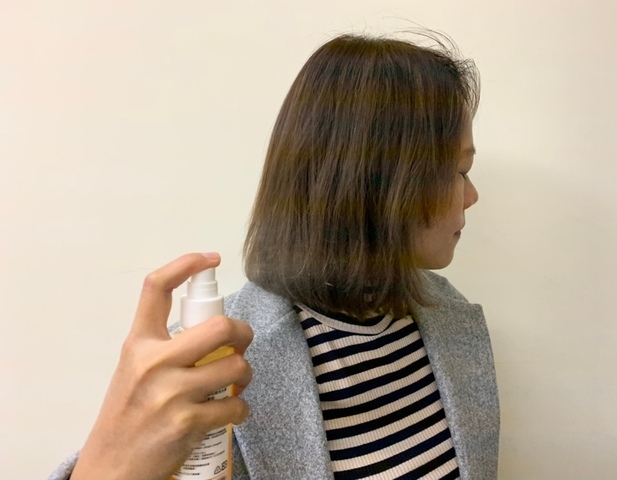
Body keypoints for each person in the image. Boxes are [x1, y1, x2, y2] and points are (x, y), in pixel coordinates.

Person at [51, 32, 499, 480]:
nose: (472, 196)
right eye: (459, 171)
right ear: (376, 180)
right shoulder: (211, 367)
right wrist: (108, 466)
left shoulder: (448, 318)